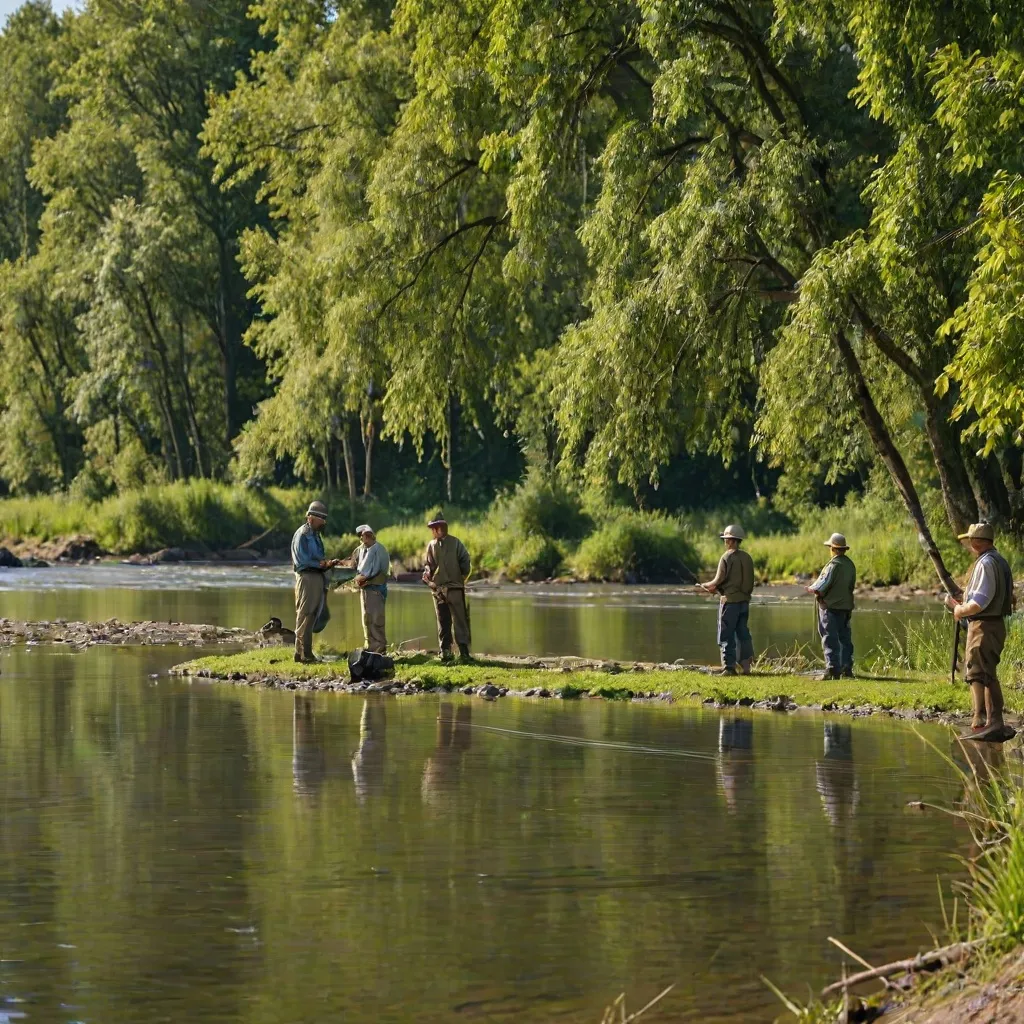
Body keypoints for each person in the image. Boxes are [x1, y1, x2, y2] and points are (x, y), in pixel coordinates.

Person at [945, 523, 1016, 741]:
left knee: (982, 672)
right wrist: (963, 598)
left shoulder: (986, 563)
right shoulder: (998, 560)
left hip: (984, 625)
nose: (967, 544)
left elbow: (981, 601)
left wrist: (958, 609)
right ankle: (987, 721)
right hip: (992, 624)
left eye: (969, 540)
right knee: (984, 671)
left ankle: (991, 722)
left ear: (976, 542)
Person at [290, 500, 340, 664]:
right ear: (311, 518)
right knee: (304, 613)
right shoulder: (303, 535)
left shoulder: (316, 535)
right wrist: (322, 564)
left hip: (317, 577)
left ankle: (307, 653)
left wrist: (327, 564)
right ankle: (299, 654)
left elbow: (318, 559)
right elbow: (303, 560)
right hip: (307, 577)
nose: (324, 522)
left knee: (312, 615)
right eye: (321, 519)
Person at [704, 524, 755, 675]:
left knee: (726, 634)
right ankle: (746, 667)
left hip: (729, 603)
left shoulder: (726, 557)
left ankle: (729, 667)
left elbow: (717, 580)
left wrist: (707, 586)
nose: (725, 543)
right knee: (743, 633)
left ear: (732, 541)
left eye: (726, 540)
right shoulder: (747, 558)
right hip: (744, 602)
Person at [806, 532, 856, 679]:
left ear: (833, 549)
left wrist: (811, 589)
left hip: (830, 608)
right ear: (844, 549)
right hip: (846, 608)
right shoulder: (850, 565)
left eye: (830, 547)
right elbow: (850, 586)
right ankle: (846, 668)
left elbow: (822, 585)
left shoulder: (832, 566)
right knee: (844, 639)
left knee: (829, 638)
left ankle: (833, 669)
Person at [421, 516, 472, 661]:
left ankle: (463, 653)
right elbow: (428, 564)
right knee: (443, 621)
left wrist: (460, 578)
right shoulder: (431, 545)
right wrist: (428, 575)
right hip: (438, 590)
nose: (432, 532)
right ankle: (446, 652)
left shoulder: (456, 543)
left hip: (455, 588)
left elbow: (465, 562)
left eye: (433, 529)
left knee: (460, 620)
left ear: (439, 529)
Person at [349, 525, 390, 654]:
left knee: (377, 620)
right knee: (366, 619)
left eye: (365, 534)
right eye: (361, 535)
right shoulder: (359, 550)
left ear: (371, 535)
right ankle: (369, 646)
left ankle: (379, 648)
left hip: (376, 589)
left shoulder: (380, 549)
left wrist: (366, 579)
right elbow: (354, 566)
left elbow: (382, 571)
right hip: (364, 590)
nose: (362, 537)